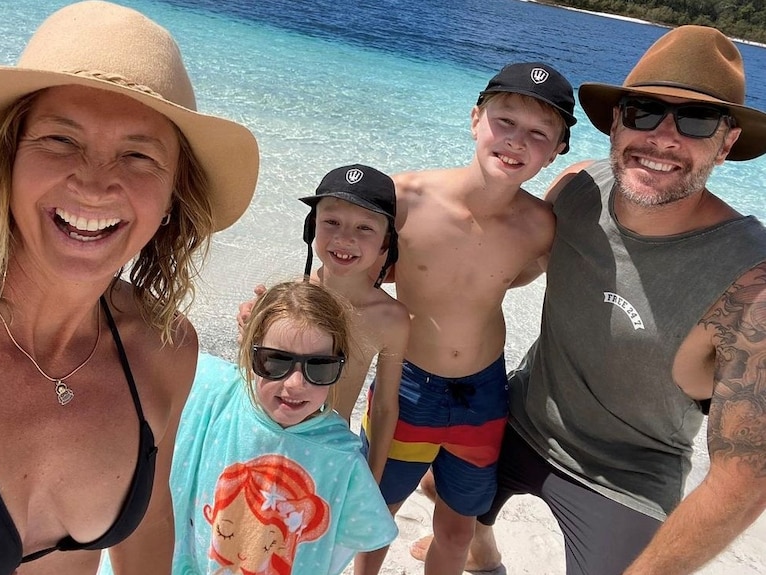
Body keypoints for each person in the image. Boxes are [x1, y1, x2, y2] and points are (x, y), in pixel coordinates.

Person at [0, 2, 258, 575]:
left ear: (172, 198)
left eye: (138, 154)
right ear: (6, 160)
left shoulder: (162, 351)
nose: (95, 182)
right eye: (60, 140)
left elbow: (147, 520)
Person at [411, 25, 766, 575]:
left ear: (727, 143)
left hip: (626, 475)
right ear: (617, 123)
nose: (664, 137)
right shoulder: (577, 190)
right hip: (520, 417)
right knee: (434, 482)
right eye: (645, 111)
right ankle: (485, 557)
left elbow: (747, 477)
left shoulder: (751, 279)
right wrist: (332, 299)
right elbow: (497, 264)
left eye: (695, 121)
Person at [353, 62, 578, 575]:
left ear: (554, 151)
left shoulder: (538, 225)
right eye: (505, 121)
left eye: (538, 134)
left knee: (458, 529)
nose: (517, 141)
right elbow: (349, 268)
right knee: (376, 514)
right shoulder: (404, 199)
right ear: (476, 117)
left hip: (483, 393)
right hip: (406, 384)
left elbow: (518, 274)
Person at [170, 281, 398, 574]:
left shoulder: (339, 456)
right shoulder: (212, 394)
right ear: (250, 354)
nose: (295, 384)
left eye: (318, 367)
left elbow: (348, 541)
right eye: (275, 361)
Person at [298, 164, 410, 482]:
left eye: (365, 228)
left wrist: (372, 478)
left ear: (385, 243)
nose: (345, 238)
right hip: (270, 443)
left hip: (331, 454)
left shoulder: (391, 318)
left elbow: (385, 406)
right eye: (331, 222)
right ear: (311, 228)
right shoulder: (288, 297)